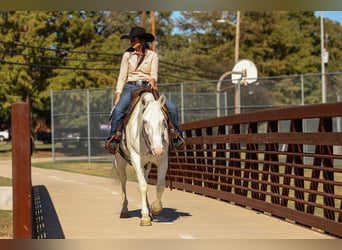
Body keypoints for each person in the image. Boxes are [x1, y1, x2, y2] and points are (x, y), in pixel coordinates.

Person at [106, 27, 184, 154]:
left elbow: (153, 74)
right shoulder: (127, 55)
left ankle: (175, 136)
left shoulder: (152, 55)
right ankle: (114, 138)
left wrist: (153, 81)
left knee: (173, 108)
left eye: (134, 39)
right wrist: (118, 94)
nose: (131, 41)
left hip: (148, 87)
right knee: (118, 111)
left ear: (141, 41)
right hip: (130, 88)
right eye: (130, 39)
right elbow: (122, 77)